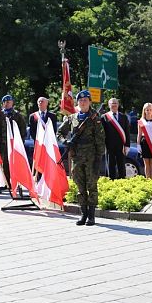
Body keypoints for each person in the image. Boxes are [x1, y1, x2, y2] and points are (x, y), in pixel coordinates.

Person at [57, 90, 105, 226]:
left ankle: (91, 216)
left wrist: (98, 158)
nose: (83, 102)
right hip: (76, 157)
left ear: (90, 102)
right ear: (77, 102)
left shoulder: (95, 118)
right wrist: (65, 142)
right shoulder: (72, 118)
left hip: (91, 157)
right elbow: (59, 132)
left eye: (85, 100)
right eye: (80, 100)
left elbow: (100, 139)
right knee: (80, 186)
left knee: (92, 186)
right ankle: (83, 214)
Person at [101, 98, 130, 179]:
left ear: (118, 105)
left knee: (121, 165)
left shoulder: (123, 117)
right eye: (112, 103)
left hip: (121, 145)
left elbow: (127, 131)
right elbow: (102, 133)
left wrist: (127, 145)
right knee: (110, 165)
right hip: (109, 145)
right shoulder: (104, 117)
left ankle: (122, 181)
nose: (114, 105)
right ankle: (111, 182)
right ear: (109, 105)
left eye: (115, 103)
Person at [136, 103, 152, 179]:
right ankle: (148, 181)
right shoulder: (141, 121)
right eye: (147, 110)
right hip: (144, 142)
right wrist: (138, 145)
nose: (149, 111)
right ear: (144, 111)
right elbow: (139, 134)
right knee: (146, 164)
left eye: (150, 110)